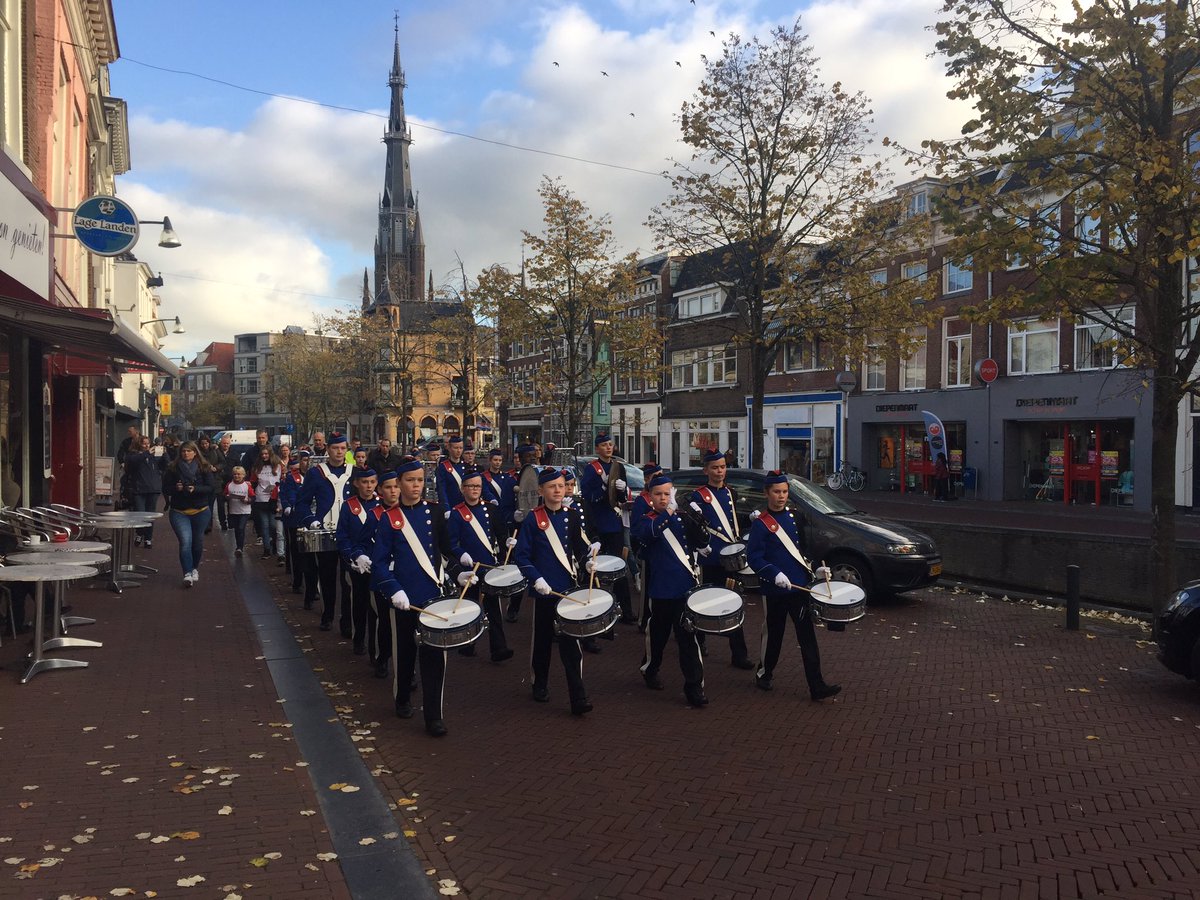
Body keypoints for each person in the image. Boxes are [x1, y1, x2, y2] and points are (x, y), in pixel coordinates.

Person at [370, 457, 456, 736]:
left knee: (434, 658)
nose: (416, 485)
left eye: (420, 480)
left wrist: (460, 572)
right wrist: (394, 589)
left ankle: (434, 716)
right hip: (405, 599)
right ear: (399, 484)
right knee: (405, 654)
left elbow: (447, 550)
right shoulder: (389, 519)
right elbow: (379, 562)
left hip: (433, 597)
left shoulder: (435, 511)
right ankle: (403, 697)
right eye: (410, 480)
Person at [745, 470, 841, 701]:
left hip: (799, 586)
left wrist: (815, 569)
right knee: (774, 634)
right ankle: (764, 673)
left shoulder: (795, 517)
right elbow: (754, 558)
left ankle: (817, 685)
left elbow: (802, 551)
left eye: (785, 492)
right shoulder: (761, 524)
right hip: (775, 589)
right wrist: (774, 573)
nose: (781, 496)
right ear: (767, 493)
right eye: (776, 492)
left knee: (807, 636)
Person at [514, 467, 600, 716]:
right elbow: (522, 556)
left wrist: (587, 561)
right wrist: (536, 579)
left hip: (567, 589)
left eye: (561, 486)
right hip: (544, 590)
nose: (558, 491)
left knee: (571, 645)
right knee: (542, 642)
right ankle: (539, 683)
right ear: (541, 491)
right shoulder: (533, 519)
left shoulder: (571, 516)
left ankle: (578, 697)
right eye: (552, 487)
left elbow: (579, 546)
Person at [632, 471, 709, 707]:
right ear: (650, 497)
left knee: (688, 638)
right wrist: (668, 512)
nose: (663, 498)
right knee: (658, 636)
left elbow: (701, 541)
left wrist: (698, 520)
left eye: (667, 494)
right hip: (662, 590)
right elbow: (649, 534)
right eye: (658, 494)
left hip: (685, 588)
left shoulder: (681, 518)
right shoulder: (647, 520)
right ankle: (650, 668)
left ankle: (694, 687)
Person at [686, 450, 755, 670]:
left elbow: (732, 521)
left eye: (723, 467)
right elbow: (693, 527)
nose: (720, 471)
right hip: (711, 556)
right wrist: (700, 544)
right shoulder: (698, 496)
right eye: (715, 468)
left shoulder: (730, 492)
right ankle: (699, 640)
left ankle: (739, 654)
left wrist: (750, 518)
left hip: (730, 557)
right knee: (704, 601)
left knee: (734, 601)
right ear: (706, 470)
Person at [446, 469, 515, 663]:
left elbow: (500, 533)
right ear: (463, 489)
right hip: (469, 569)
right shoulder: (457, 513)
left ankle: (499, 648)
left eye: (478, 486)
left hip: (489, 567)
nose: (475, 489)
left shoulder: (491, 509)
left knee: (494, 609)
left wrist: (507, 541)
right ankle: (467, 644)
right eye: (471, 486)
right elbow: (450, 543)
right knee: (469, 607)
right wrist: (461, 554)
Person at [298, 432, 354, 633]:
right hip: (325, 531)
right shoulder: (316, 473)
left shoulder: (354, 472)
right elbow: (302, 503)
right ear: (328, 449)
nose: (339, 452)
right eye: (335, 448)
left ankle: (347, 622)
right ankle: (328, 615)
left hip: (349, 534)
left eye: (343, 448)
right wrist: (311, 520)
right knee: (327, 577)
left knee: (348, 580)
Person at [579, 433, 635, 624]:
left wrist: (622, 489)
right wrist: (604, 489)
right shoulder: (591, 469)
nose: (608, 447)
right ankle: (589, 609)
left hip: (613, 522)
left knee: (619, 567)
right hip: (596, 523)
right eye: (604, 445)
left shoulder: (619, 467)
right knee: (592, 568)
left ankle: (626, 611)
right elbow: (587, 495)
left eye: (610, 444)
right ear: (597, 448)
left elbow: (621, 499)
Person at [336, 466, 379, 656]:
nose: (368, 486)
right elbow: (342, 536)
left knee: (376, 608)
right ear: (356, 483)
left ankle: (375, 647)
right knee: (359, 603)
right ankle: (358, 639)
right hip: (357, 564)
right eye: (364, 482)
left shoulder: (381, 505)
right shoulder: (349, 506)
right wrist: (352, 557)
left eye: (372, 482)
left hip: (377, 563)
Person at [163, 441, 218, 587]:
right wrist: (176, 488)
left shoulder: (204, 467)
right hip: (179, 511)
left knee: (197, 542)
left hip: (200, 511)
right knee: (185, 542)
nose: (186, 453)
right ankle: (187, 573)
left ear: (195, 452)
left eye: (188, 451)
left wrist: (196, 489)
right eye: (183, 451)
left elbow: (211, 487)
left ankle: (194, 568)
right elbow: (165, 488)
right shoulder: (173, 468)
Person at [367, 469, 400, 678]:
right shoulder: (374, 515)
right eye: (388, 487)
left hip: (404, 575)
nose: (393, 491)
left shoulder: (408, 513)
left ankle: (405, 668)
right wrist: (361, 556)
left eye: (396, 486)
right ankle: (383, 658)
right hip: (382, 576)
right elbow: (363, 542)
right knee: (385, 622)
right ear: (380, 491)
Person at [280, 451, 317, 604]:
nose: (307, 463)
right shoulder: (292, 477)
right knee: (296, 551)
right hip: (296, 518)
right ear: (300, 461)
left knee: (312, 555)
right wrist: (289, 506)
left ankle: (313, 587)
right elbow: (289, 494)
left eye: (309, 460)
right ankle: (297, 581)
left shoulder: (316, 477)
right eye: (304, 460)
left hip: (311, 519)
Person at [631, 462, 663, 632]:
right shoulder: (642, 500)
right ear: (646, 480)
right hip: (649, 550)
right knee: (647, 587)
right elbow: (636, 528)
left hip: (664, 551)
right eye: (655, 476)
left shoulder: (666, 499)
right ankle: (644, 619)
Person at [124, 435, 164, 548]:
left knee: (150, 515)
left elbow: (165, 465)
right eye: (144, 443)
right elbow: (133, 462)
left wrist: (164, 453)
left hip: (152, 488)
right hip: (139, 489)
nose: (147, 446)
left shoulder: (153, 456)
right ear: (138, 444)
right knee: (140, 513)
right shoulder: (133, 455)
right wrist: (147, 453)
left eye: (148, 443)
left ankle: (148, 538)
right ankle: (139, 533)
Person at [250, 445, 283, 559]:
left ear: (270, 454)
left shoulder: (278, 466)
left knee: (273, 525)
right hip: (261, 498)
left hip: (274, 498)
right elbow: (253, 482)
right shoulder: (257, 467)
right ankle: (266, 549)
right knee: (264, 525)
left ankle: (274, 544)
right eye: (262, 454)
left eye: (266, 454)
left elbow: (282, 479)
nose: (264, 456)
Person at [481, 448, 517, 540]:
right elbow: (485, 491)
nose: (498, 462)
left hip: (504, 512)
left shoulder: (507, 477)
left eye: (500, 460)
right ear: (490, 460)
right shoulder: (483, 477)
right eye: (495, 460)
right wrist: (492, 499)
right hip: (492, 511)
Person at [196, 435, 223, 534]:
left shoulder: (215, 451)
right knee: (203, 504)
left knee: (210, 504)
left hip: (214, 480)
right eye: (202, 444)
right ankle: (203, 524)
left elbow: (222, 462)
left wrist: (216, 468)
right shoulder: (197, 453)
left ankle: (208, 525)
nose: (204, 446)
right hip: (201, 481)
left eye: (206, 443)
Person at [224, 466, 253, 556]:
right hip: (234, 511)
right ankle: (239, 546)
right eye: (235, 474)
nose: (236, 476)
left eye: (239, 474)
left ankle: (240, 548)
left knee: (241, 527)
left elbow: (253, 497)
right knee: (237, 529)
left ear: (243, 475)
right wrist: (227, 497)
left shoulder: (247, 485)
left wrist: (247, 500)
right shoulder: (229, 485)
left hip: (245, 511)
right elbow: (224, 495)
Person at [436, 435, 467, 510]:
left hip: (465, 506)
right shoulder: (443, 467)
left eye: (461, 448)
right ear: (449, 448)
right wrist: (446, 507)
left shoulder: (466, 466)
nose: (459, 451)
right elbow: (441, 489)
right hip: (451, 505)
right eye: (456, 448)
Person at [216, 434, 235, 530]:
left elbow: (238, 466)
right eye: (224, 443)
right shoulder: (216, 452)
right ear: (221, 443)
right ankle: (222, 523)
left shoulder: (234, 453)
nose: (225, 445)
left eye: (227, 443)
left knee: (231, 503)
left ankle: (231, 522)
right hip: (219, 482)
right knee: (220, 504)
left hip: (230, 481)